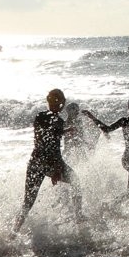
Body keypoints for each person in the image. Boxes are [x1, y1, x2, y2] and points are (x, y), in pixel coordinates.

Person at [13, 88, 82, 232]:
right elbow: (53, 146)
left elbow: (44, 139)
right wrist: (56, 169)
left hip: (35, 161)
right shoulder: (58, 121)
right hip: (51, 162)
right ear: (61, 103)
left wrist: (64, 131)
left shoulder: (39, 116)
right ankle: (78, 217)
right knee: (75, 181)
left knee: (28, 201)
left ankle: (14, 231)